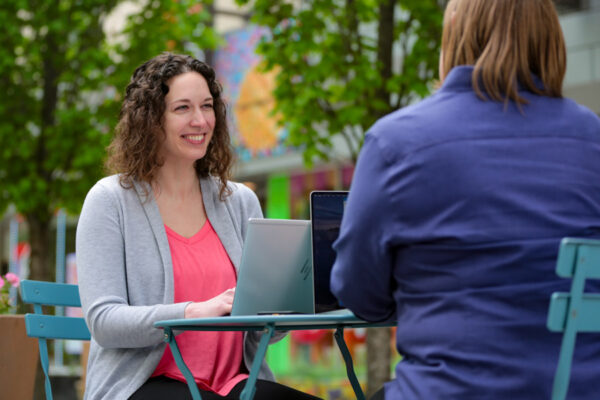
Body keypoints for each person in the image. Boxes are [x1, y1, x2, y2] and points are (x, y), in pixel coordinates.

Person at [330, 0, 600, 398]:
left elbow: (357, 292)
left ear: (454, 31)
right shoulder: (592, 139)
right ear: (550, 38)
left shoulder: (396, 143)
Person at [76, 53, 321, 400]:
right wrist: (193, 312)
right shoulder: (110, 200)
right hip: (141, 385)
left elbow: (264, 333)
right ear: (149, 119)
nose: (200, 121)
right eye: (182, 108)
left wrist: (282, 306)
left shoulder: (239, 201)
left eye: (207, 106)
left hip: (236, 383)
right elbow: (104, 322)